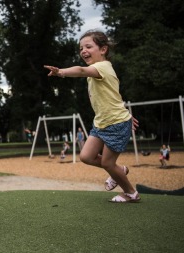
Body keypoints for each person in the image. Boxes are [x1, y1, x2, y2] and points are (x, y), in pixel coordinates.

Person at [44, 29, 140, 203]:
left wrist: (61, 72)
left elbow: (80, 70)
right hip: (102, 123)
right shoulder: (98, 70)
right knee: (86, 156)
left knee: (107, 164)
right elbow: (112, 94)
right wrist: (125, 113)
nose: (83, 51)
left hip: (115, 124)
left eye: (88, 46)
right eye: (81, 48)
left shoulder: (101, 67)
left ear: (103, 50)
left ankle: (131, 193)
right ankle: (119, 170)